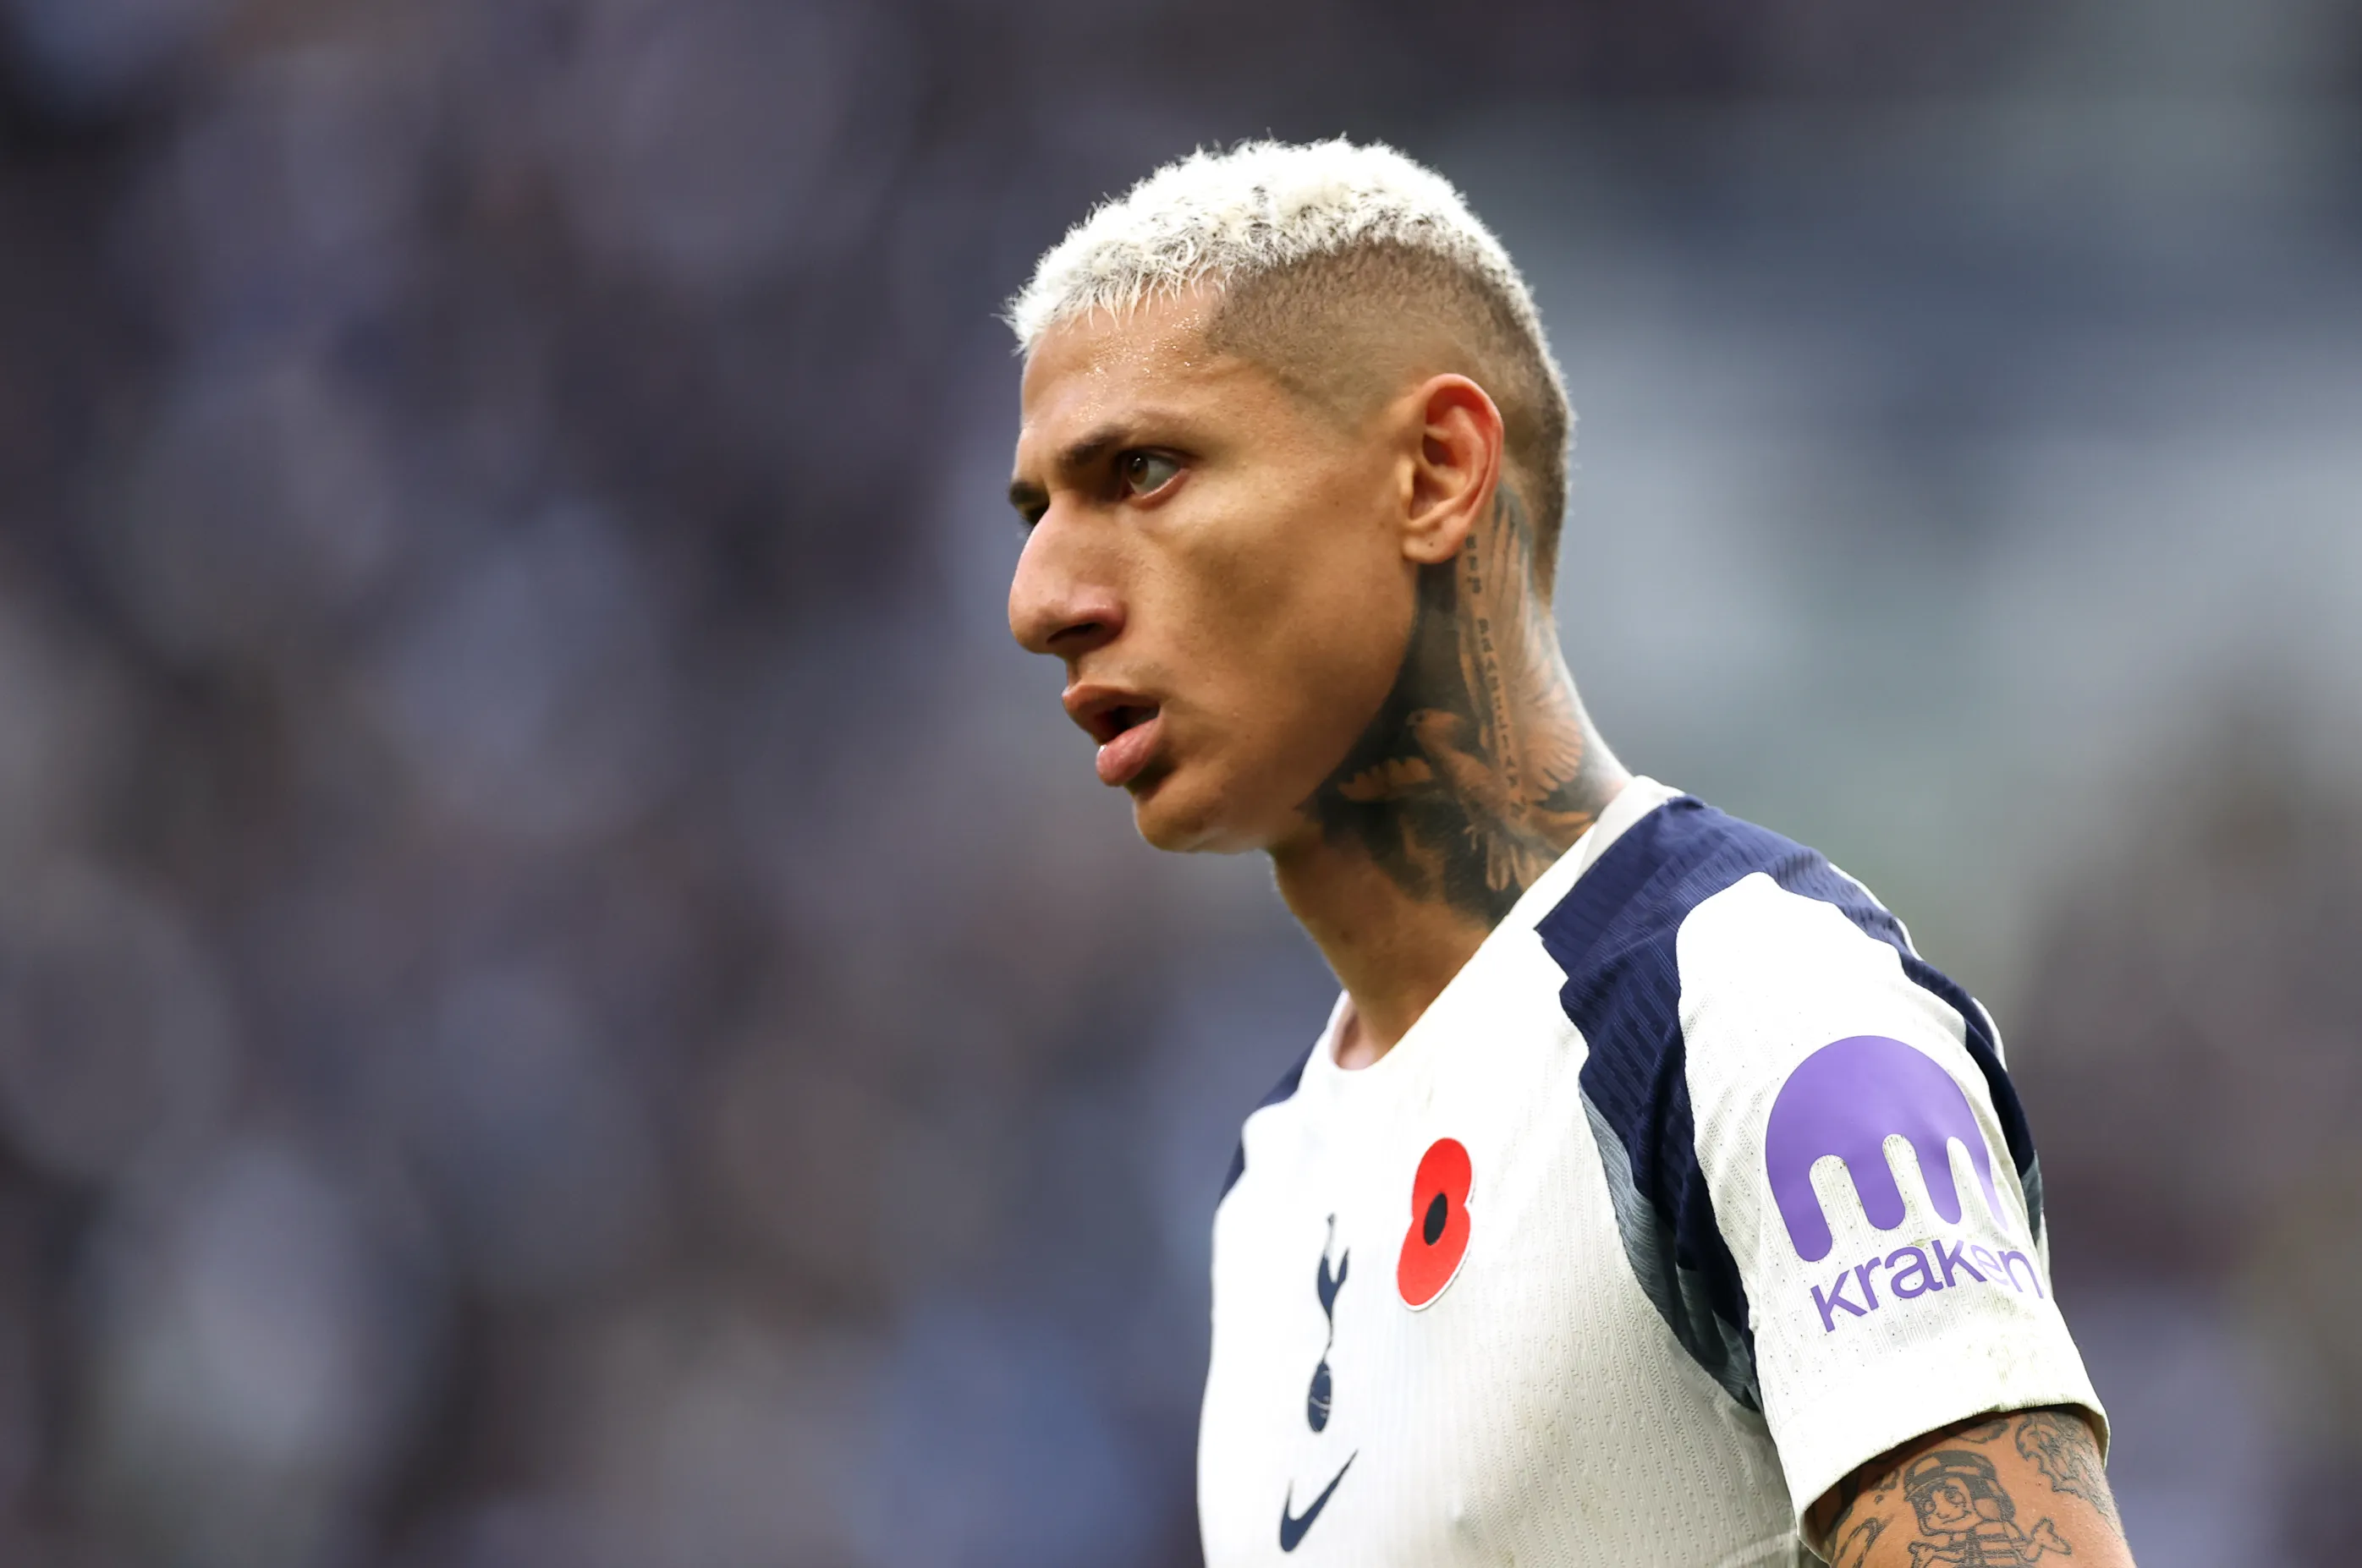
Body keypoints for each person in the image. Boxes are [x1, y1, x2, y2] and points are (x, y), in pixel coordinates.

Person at [1002, 139, 2132, 1568]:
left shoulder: (1753, 1013)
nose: (1042, 598)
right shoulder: (1271, 1181)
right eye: (1040, 511)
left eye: (1145, 471)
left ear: (1436, 472)